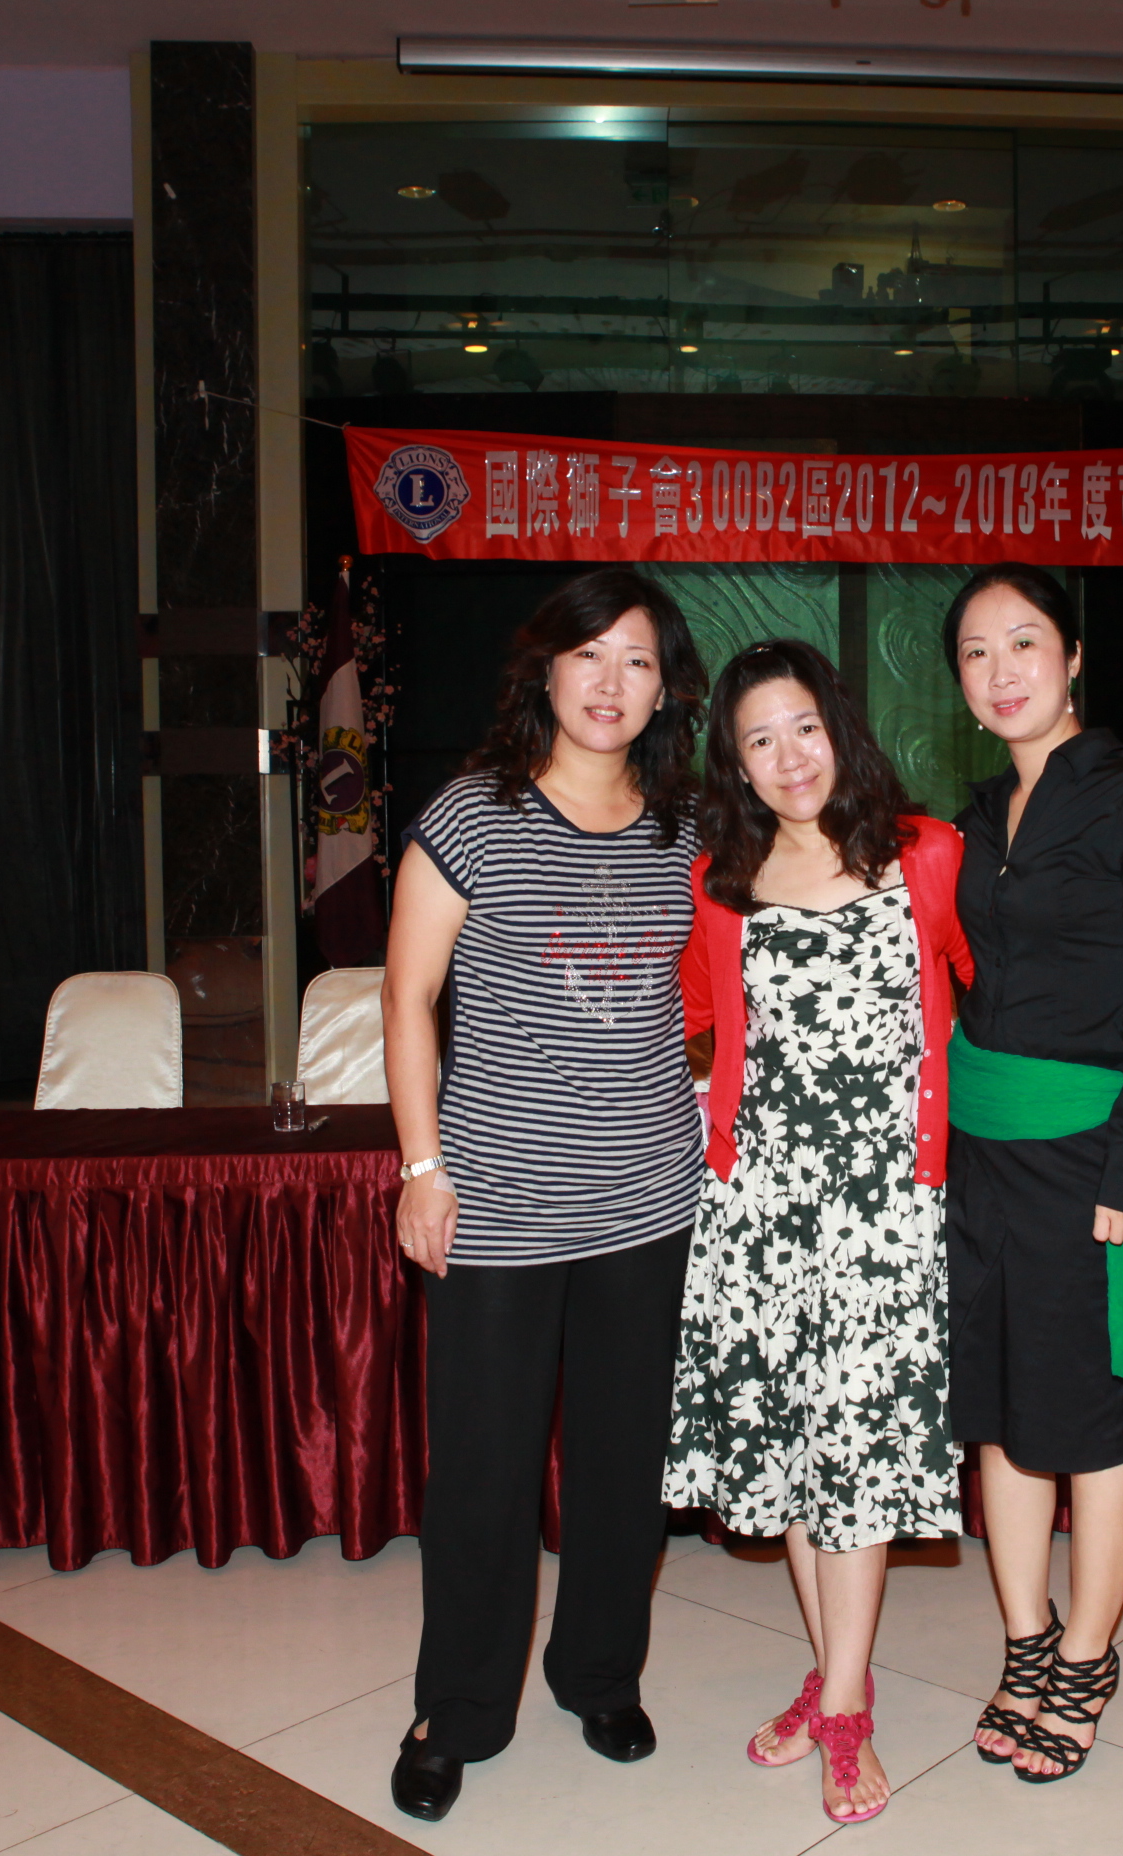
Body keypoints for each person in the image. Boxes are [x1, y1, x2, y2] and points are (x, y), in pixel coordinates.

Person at [379, 568, 710, 1824]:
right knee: (484, 1471)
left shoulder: (689, 825)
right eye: (590, 654)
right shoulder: (474, 814)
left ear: (664, 687)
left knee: (625, 1465)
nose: (611, 681)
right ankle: (459, 1707)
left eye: (638, 659)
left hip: (648, 1200)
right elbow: (408, 996)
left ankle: (599, 1674)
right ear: (548, 668)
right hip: (500, 1205)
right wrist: (422, 1165)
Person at [665, 640, 974, 1828]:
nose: (789, 756)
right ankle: (836, 1672)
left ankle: (843, 1705)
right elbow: (689, 1016)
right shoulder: (720, 881)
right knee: (797, 1452)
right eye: (759, 739)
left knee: (857, 1456)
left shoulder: (925, 852)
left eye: (804, 726)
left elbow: (990, 984)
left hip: (885, 1211)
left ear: (839, 728)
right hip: (760, 1207)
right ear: (734, 763)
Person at [937, 562, 1123, 1785]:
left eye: (1024, 641)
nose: (1000, 671)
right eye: (976, 651)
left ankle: (1087, 1658)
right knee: (995, 1412)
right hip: (982, 1151)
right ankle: (1027, 1640)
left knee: (1090, 1424)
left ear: (1074, 655)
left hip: (1088, 1153)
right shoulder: (979, 815)